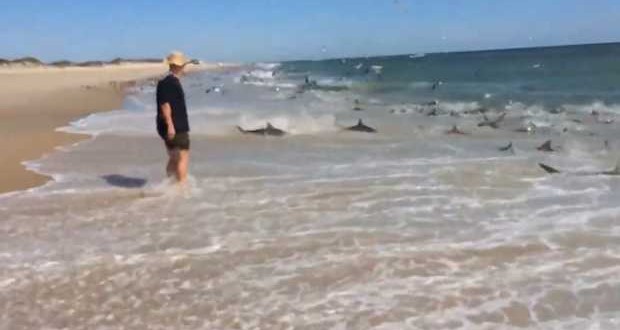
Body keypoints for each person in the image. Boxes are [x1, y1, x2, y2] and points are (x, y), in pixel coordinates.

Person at [156, 52, 192, 183]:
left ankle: (169, 184)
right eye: (183, 65)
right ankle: (181, 187)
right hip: (176, 125)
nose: (184, 67)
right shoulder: (170, 82)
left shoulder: (165, 82)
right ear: (179, 66)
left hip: (166, 126)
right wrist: (170, 124)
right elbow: (165, 105)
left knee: (173, 157)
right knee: (183, 157)